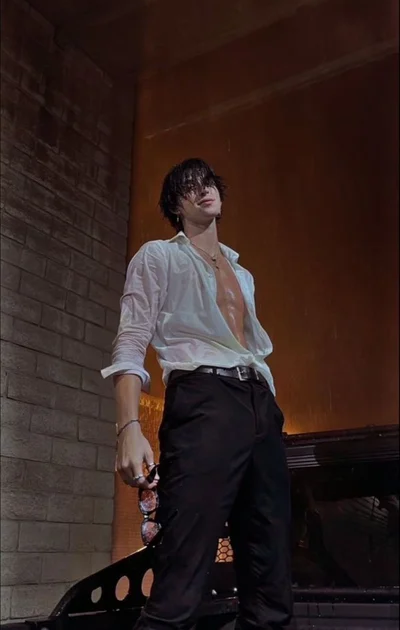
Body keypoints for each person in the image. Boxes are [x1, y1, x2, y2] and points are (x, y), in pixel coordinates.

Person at [101, 158, 292, 630]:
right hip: (204, 399)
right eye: (189, 186)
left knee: (270, 575)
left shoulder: (243, 274)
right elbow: (131, 339)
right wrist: (128, 427)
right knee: (182, 574)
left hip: (259, 404)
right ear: (176, 206)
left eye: (207, 182)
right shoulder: (158, 257)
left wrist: (267, 408)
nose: (202, 190)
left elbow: (250, 347)